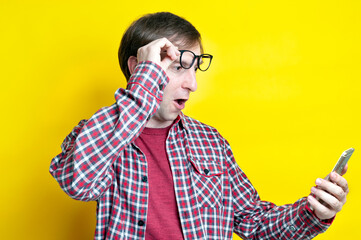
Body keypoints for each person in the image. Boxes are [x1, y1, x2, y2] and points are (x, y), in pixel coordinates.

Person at [49, 12, 349, 240]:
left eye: (194, 69)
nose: (192, 84)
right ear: (138, 68)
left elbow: (254, 222)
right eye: (178, 67)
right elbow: (78, 183)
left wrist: (313, 213)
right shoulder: (98, 133)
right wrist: (145, 81)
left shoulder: (210, 141)